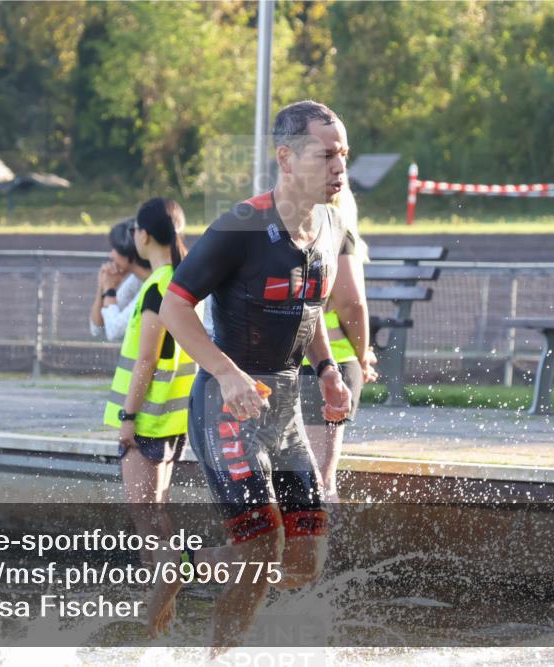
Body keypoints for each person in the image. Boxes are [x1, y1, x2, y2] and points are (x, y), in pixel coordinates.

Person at [154, 100, 354, 650]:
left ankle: (185, 567)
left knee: (302, 562)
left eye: (344, 155)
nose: (340, 168)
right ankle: (219, 657)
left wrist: (329, 369)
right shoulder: (242, 225)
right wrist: (226, 372)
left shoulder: (330, 224)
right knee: (261, 548)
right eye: (327, 155)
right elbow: (174, 307)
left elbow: (306, 308)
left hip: (285, 411)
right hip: (229, 406)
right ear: (285, 158)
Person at [103, 199, 195, 551]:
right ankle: (172, 595)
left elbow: (146, 360)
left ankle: (162, 599)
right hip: (172, 419)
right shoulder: (184, 280)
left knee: (147, 521)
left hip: (148, 420)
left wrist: (128, 417)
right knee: (157, 515)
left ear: (143, 235)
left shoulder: (158, 286)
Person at [300, 179, 377, 503]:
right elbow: (353, 304)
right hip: (334, 361)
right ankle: (317, 553)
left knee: (294, 483)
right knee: (321, 480)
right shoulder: (338, 235)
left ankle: (295, 552)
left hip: (290, 364)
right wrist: (363, 355)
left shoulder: (296, 236)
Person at [89, 218, 152, 342]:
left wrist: (109, 290)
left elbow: (114, 332)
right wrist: (102, 288)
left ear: (128, 252)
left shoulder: (153, 282)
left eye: (115, 249)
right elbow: (97, 328)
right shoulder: (137, 279)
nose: (111, 255)